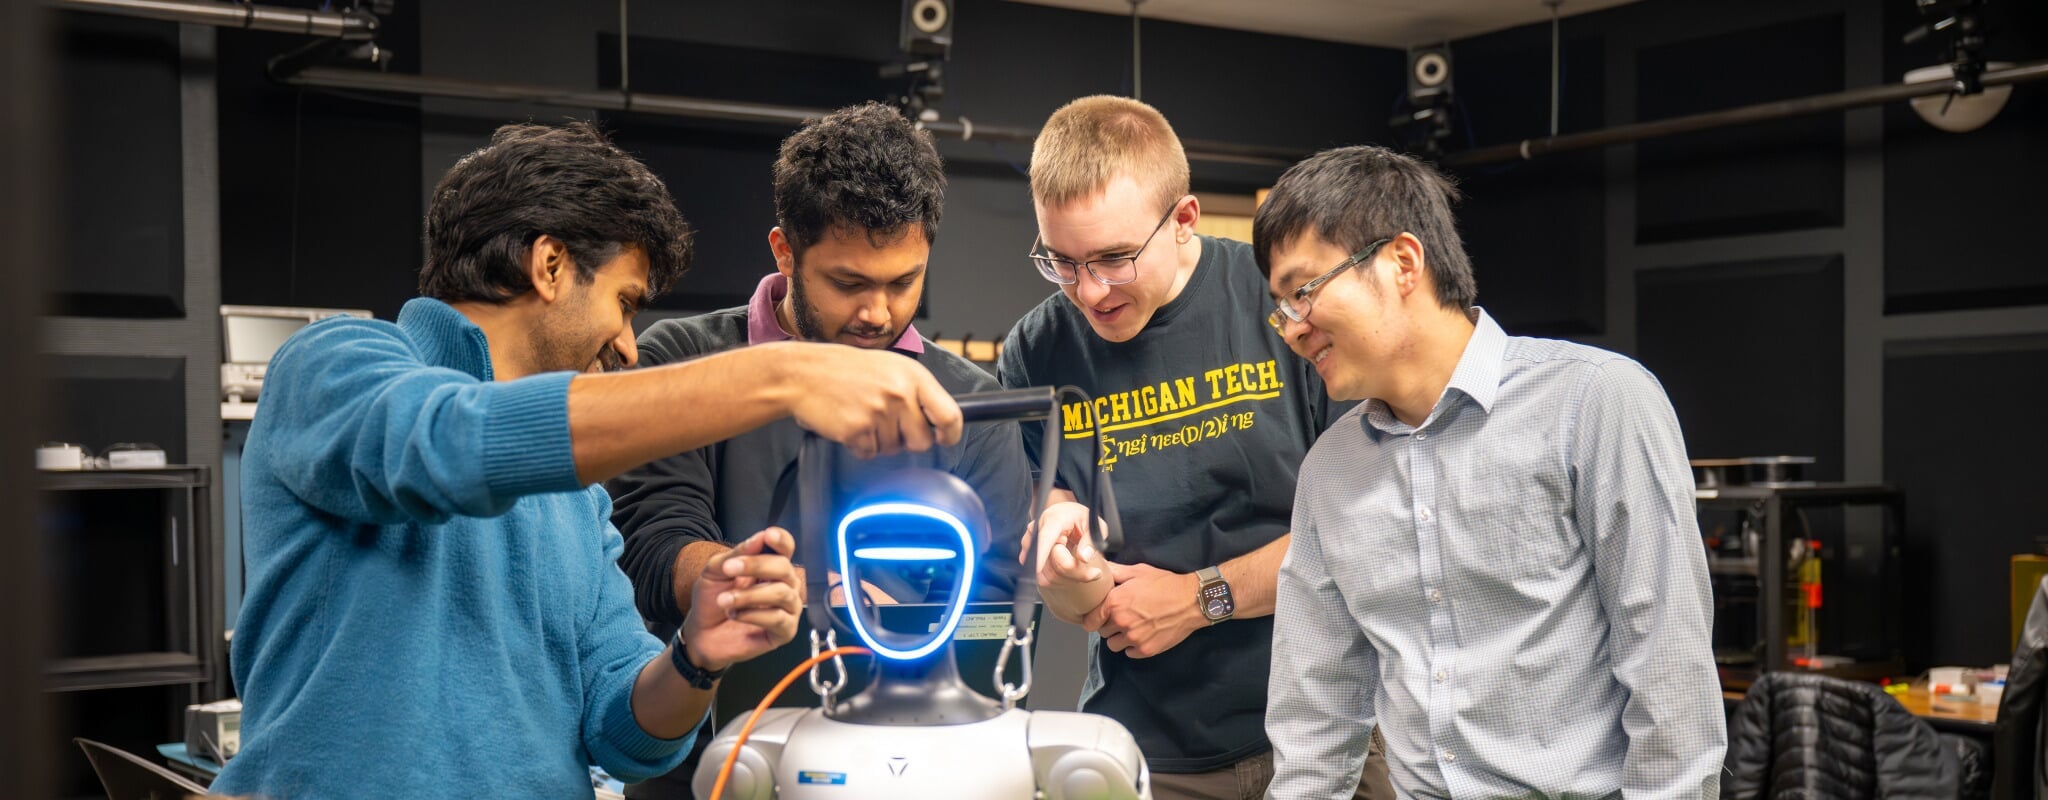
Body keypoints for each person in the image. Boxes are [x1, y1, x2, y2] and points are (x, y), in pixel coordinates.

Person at [214, 121, 965, 800]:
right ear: (549, 266)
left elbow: (623, 733)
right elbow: (449, 443)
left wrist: (697, 654)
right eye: (626, 301)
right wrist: (782, 374)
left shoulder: (576, 500)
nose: (630, 345)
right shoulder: (334, 364)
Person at [1257, 145, 1726, 798]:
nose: (1294, 328)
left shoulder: (1595, 403)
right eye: (1282, 308)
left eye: (1304, 291)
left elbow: (1671, 682)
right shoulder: (1331, 470)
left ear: (1401, 262)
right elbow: (1318, 712)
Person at [606, 102, 1034, 797]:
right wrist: (760, 586)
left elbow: (995, 595)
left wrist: (855, 601)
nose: (878, 313)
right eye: (848, 284)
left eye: (903, 282)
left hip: (910, 770)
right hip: (712, 765)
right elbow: (655, 545)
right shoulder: (681, 362)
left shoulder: (968, 403)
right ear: (785, 252)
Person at [996, 95, 1390, 800]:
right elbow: (1066, 573)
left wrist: (1198, 599)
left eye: (1114, 259)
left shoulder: (1282, 307)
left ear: (1183, 220)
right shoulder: (1035, 349)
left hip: (1328, 728)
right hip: (1147, 745)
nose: (1090, 292)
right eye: (1062, 261)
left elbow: (1364, 533)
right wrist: (1064, 566)